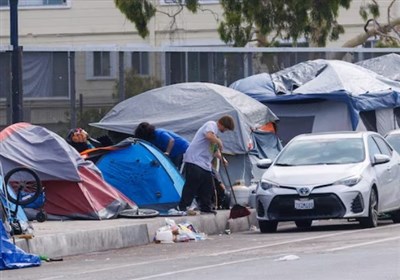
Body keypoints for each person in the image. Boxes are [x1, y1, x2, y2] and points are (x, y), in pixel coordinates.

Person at [178, 115, 235, 214]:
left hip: (205, 164)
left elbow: (213, 151)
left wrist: (222, 159)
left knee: (207, 186)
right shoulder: (211, 125)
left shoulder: (214, 134)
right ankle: (182, 206)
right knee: (192, 185)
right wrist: (219, 142)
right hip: (194, 160)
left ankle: (205, 207)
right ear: (223, 125)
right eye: (226, 129)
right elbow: (208, 136)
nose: (225, 131)